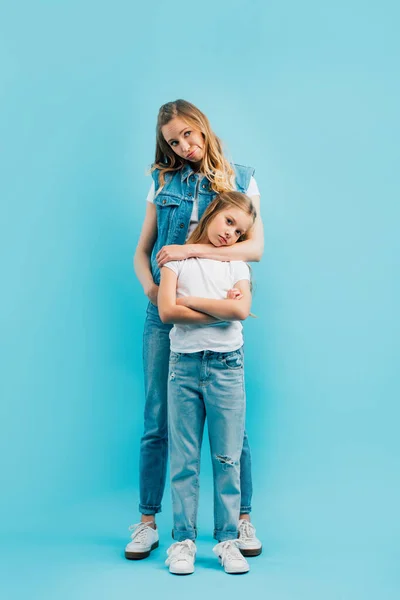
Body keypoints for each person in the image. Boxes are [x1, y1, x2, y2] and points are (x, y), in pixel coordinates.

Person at [125, 100, 264, 561]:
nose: (184, 146)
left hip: (218, 304)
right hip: (164, 308)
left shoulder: (241, 179)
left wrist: (189, 254)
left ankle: (240, 517)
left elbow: (255, 249)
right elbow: (143, 252)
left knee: (232, 426)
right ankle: (148, 521)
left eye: (188, 134)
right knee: (157, 418)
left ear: (202, 126)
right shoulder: (162, 183)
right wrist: (154, 294)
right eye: (173, 141)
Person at [160, 191, 258, 575]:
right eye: (229, 221)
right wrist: (220, 308)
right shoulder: (175, 257)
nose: (231, 234)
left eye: (240, 231)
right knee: (184, 460)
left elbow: (241, 310)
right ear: (213, 212)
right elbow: (168, 311)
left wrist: (194, 304)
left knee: (227, 458)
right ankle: (183, 541)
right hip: (182, 367)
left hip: (226, 366)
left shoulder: (237, 265)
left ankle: (226, 540)